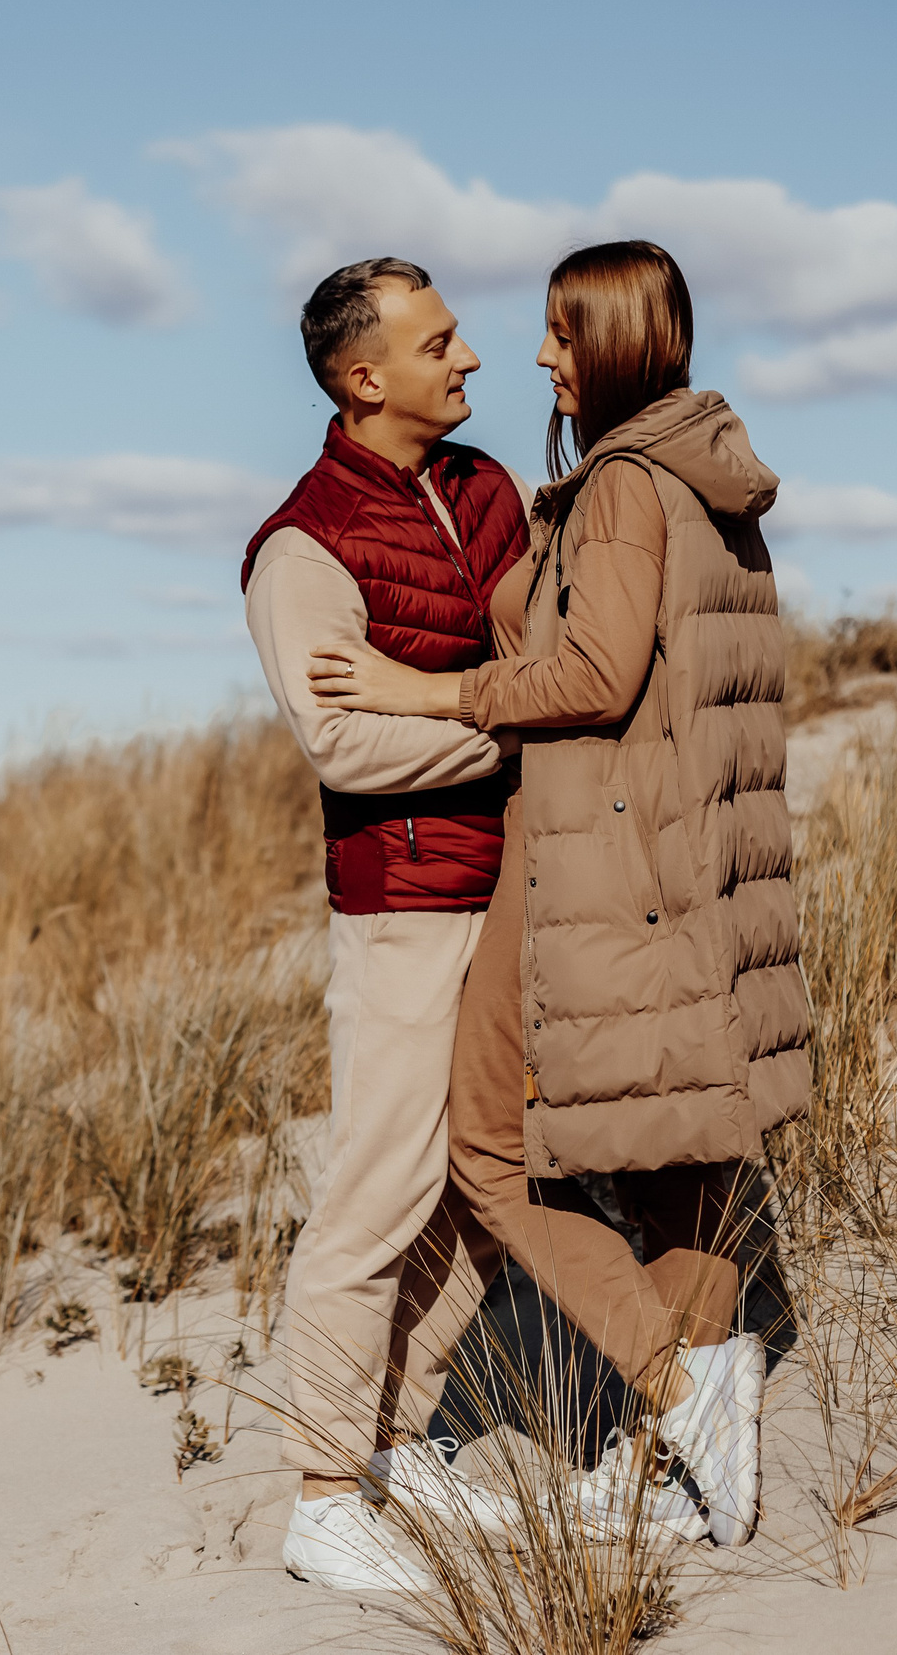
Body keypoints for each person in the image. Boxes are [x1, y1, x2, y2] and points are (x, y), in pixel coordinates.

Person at [308, 240, 809, 1549]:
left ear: (616, 346)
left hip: (596, 853)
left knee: (490, 1145)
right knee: (686, 1152)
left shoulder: (631, 485)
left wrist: (431, 690)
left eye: (557, 336)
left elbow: (588, 673)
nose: (532, 356)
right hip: (694, 857)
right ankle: (686, 1458)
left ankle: (677, 1383)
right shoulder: (709, 479)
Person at [238, 257, 534, 1593]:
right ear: (366, 378)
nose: (471, 357)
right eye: (440, 341)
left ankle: (398, 1444)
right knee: (377, 1197)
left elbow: (549, 668)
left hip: (515, 892)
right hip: (405, 907)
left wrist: (460, 692)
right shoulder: (302, 544)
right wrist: (486, 712)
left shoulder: (487, 492)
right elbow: (345, 743)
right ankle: (320, 1494)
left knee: (483, 1184)